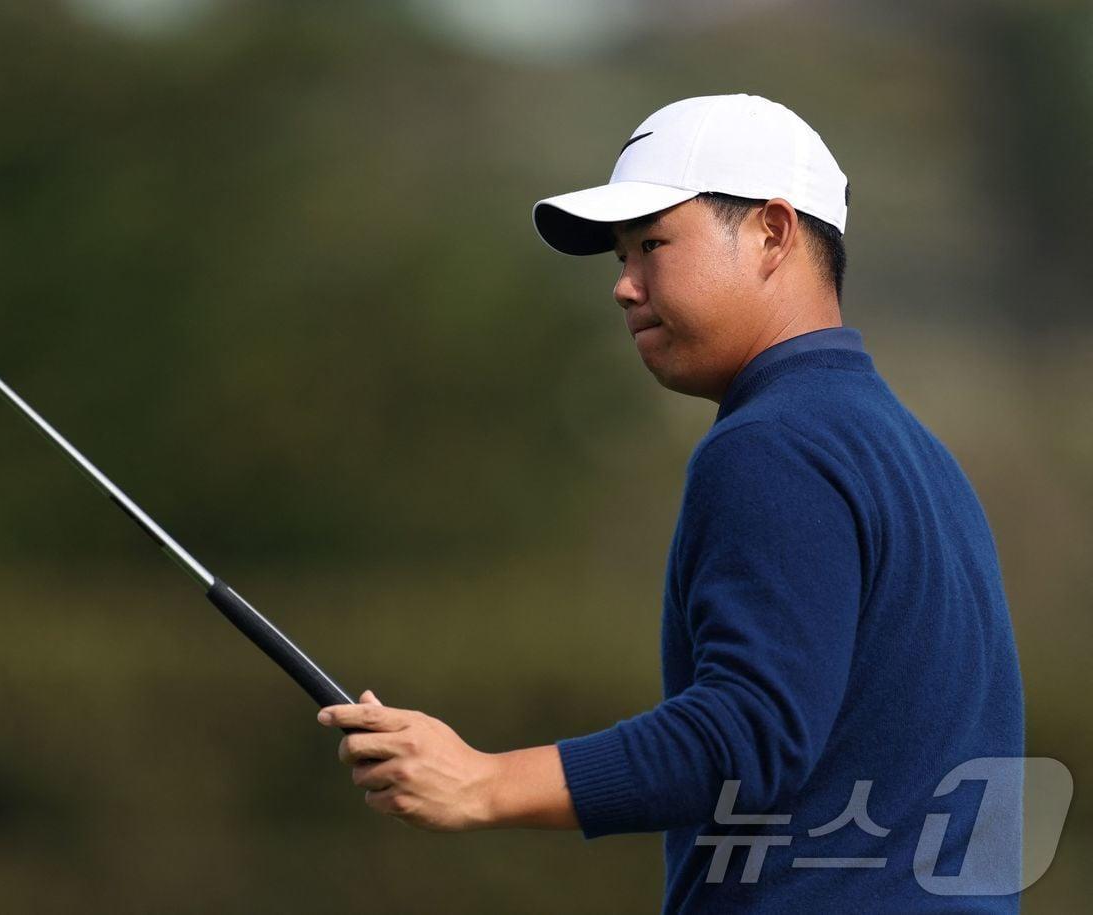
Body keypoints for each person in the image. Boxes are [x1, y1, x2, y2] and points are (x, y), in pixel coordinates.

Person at [317, 94, 1024, 911]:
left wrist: (483, 780)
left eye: (652, 243)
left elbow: (748, 734)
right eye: (622, 255)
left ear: (771, 232)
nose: (624, 286)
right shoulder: (918, 456)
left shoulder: (773, 445)